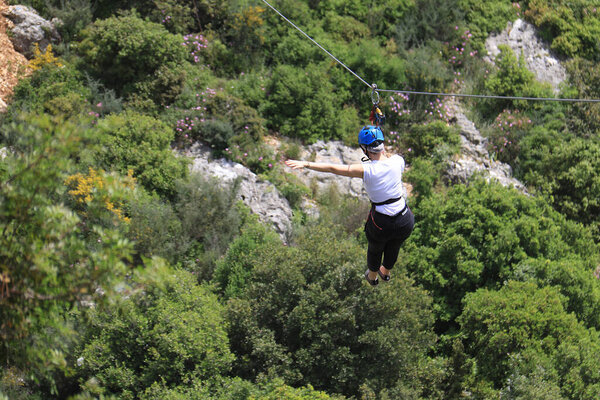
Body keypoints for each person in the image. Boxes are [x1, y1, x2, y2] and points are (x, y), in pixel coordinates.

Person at [285, 125, 414, 286]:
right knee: (395, 244)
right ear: (382, 145)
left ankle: (373, 277)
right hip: (405, 219)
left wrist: (306, 164)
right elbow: (386, 156)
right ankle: (385, 272)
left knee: (375, 248)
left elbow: (333, 168)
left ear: (365, 149)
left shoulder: (367, 170)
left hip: (382, 222)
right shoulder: (398, 161)